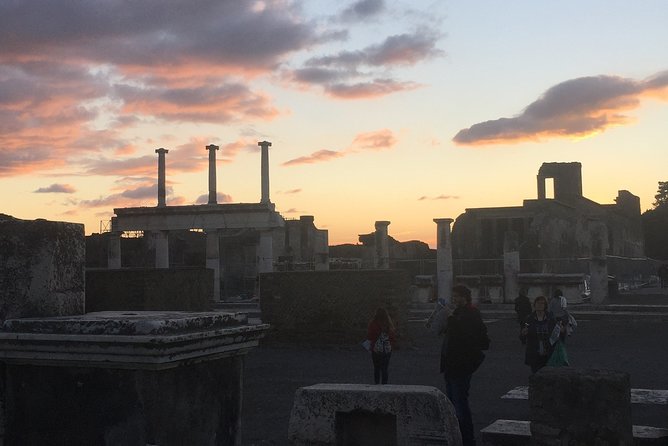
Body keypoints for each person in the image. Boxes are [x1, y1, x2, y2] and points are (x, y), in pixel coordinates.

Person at [440, 285, 487, 446]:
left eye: (457, 296)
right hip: (451, 364)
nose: (454, 298)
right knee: (453, 404)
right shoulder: (459, 313)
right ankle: (458, 437)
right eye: (453, 295)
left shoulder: (471, 313)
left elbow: (465, 335)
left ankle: (467, 440)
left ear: (465, 297)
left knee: (460, 406)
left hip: (461, 364)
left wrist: (451, 318)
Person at [521, 295, 559, 373]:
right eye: (538, 303)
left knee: (548, 374)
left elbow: (556, 335)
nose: (540, 305)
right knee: (535, 373)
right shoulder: (529, 319)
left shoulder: (551, 318)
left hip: (548, 351)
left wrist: (561, 331)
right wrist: (523, 334)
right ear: (534, 305)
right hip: (534, 351)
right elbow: (522, 338)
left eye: (542, 303)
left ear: (545, 306)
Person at [367, 307, 395, 384]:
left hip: (375, 348)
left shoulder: (373, 323)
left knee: (376, 368)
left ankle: (377, 384)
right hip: (387, 348)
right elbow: (392, 336)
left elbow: (370, 336)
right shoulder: (388, 324)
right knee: (385, 368)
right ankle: (384, 386)